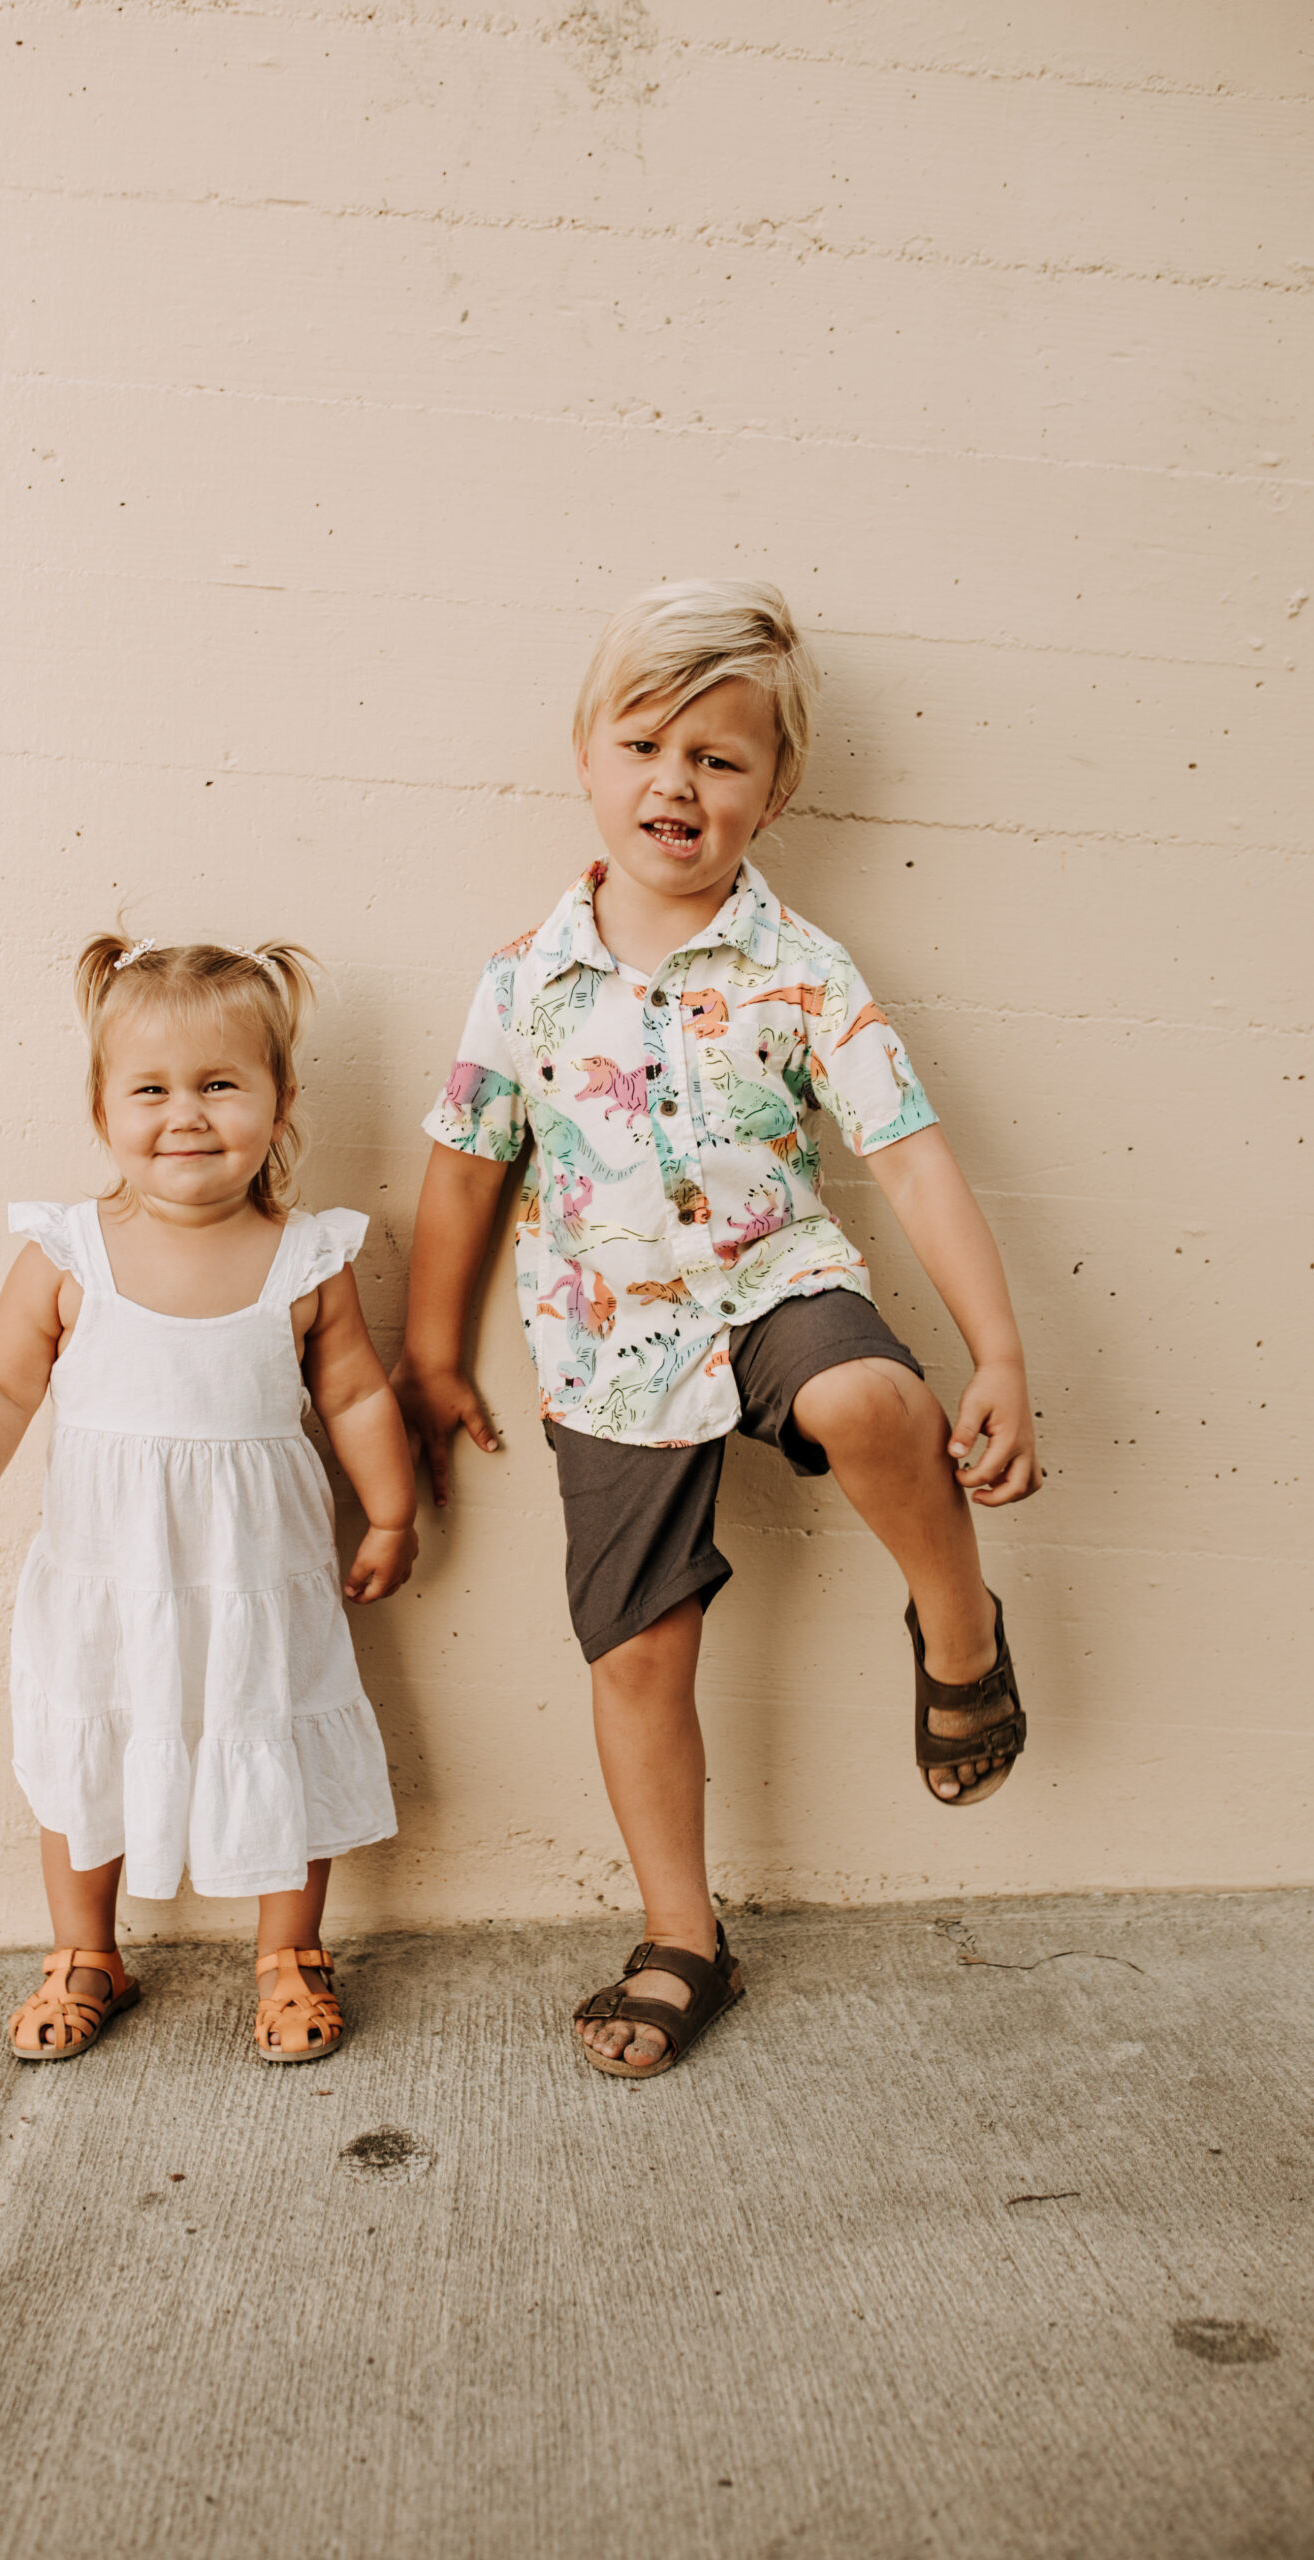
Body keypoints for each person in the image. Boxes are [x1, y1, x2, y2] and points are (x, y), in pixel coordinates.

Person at [393, 581, 1041, 2080]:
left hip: (771, 1288)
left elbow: (909, 1156)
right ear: (584, 757)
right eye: (641, 745)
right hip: (605, 1339)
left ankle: (957, 1629)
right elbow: (461, 1165)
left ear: (775, 789)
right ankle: (680, 1935)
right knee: (637, 1655)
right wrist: (430, 1353)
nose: (673, 784)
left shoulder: (801, 970)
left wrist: (995, 1351)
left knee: (873, 1400)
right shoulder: (522, 982)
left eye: (717, 759)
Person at [0, 934, 416, 2066]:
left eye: (222, 1085)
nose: (188, 1115)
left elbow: (355, 1391)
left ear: (279, 1100)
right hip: (110, 1579)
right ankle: (84, 1949)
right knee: (89, 1744)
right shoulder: (72, 1253)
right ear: (102, 1106)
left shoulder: (304, 1259)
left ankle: (290, 1952)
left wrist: (392, 1509)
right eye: (152, 1089)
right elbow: (0, 1385)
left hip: (257, 1583)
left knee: (277, 1743)